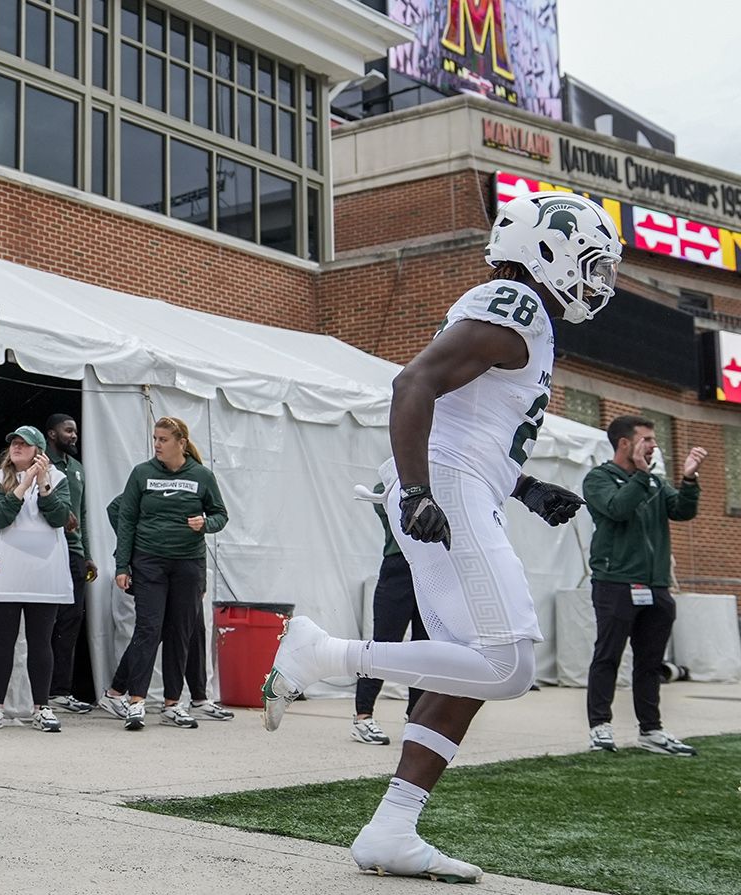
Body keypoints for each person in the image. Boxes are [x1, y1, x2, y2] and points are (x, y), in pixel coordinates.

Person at [261, 192, 618, 882]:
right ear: (551, 246)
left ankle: (392, 828)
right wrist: (421, 488)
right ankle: (325, 652)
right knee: (509, 661)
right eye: (591, 262)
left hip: (462, 482)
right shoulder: (518, 305)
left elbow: (469, 421)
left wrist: (523, 485)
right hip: (445, 486)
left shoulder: (517, 312)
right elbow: (413, 383)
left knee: (468, 664)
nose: (596, 280)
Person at [582, 415, 703, 756]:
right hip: (615, 583)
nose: (654, 446)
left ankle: (651, 730)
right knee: (608, 656)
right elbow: (617, 509)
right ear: (625, 443)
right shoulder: (599, 479)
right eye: (647, 439)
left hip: (656, 586)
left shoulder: (655, 482)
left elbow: (681, 511)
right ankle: (600, 728)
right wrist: (640, 475)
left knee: (650, 662)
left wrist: (690, 478)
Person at [100, 417, 228, 731]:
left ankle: (173, 703)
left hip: (187, 564)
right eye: (155, 438)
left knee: (180, 634)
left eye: (163, 439)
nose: (157, 444)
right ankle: (136, 701)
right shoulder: (142, 473)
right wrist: (122, 565)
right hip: (149, 563)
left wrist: (205, 523)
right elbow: (125, 518)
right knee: (148, 629)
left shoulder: (201, 475)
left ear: (181, 443)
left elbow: (220, 514)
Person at [0, 426, 72, 733]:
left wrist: (42, 487)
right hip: (5, 569)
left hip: (44, 570)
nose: (16, 446)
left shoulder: (58, 480)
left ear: (38, 452)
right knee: (3, 639)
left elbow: (59, 518)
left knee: (40, 640)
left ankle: (41, 707)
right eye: (14, 442)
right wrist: (22, 484)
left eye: (24, 443)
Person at [350, 481, 428, 745]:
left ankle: (416, 716)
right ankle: (363, 717)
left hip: (432, 570)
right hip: (399, 567)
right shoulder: (389, 483)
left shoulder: (437, 476)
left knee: (426, 648)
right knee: (383, 644)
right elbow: (397, 512)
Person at [42, 413, 96, 715]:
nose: (74, 435)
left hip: (73, 554)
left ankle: (60, 692)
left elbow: (83, 514)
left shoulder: (77, 469)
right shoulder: (39, 463)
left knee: (70, 622)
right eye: (68, 430)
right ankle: (40, 692)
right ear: (52, 434)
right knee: (44, 623)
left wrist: (87, 553)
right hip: (46, 551)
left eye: (75, 430)